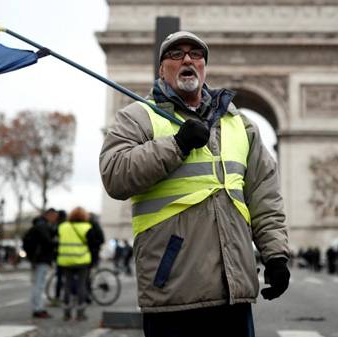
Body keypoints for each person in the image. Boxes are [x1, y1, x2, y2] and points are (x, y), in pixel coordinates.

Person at [99, 31, 290, 337]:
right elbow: (114, 174)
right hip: (173, 289)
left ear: (204, 67)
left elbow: (263, 195)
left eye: (195, 54)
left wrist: (275, 254)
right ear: (162, 69)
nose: (187, 59)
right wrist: (176, 145)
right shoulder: (137, 117)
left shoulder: (240, 125)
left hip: (233, 289)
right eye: (176, 54)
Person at [57, 207, 93, 321]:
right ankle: (80, 313)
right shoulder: (87, 227)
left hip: (66, 260)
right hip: (82, 260)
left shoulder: (62, 227)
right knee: (81, 286)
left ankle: (66, 313)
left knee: (67, 285)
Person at [22, 208, 58, 318]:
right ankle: (38, 308)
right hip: (41, 259)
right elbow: (47, 242)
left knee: (38, 284)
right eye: (54, 216)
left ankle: (38, 307)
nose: (55, 219)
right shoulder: (43, 226)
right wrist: (56, 243)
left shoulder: (39, 225)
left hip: (37, 259)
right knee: (39, 284)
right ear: (49, 215)